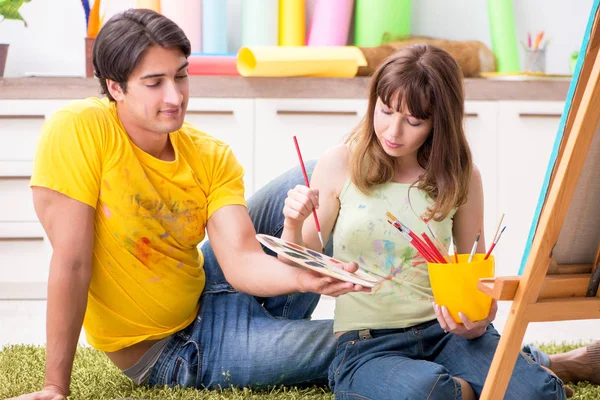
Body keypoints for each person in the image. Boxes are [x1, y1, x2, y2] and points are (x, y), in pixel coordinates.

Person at [11, 9, 369, 400]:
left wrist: (305, 275)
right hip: (175, 349)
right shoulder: (80, 130)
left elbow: (241, 260)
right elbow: (73, 260)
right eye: (154, 83)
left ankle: (276, 320)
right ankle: (281, 328)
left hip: (211, 285)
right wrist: (53, 387)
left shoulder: (209, 155)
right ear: (115, 88)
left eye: (180, 75)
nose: (175, 96)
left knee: (321, 172)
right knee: (363, 339)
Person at [280, 44, 567, 399]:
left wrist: (482, 314)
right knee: (427, 391)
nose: (393, 131)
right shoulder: (341, 162)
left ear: (438, 123)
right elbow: (298, 259)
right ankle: (467, 389)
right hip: (368, 346)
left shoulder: (462, 176)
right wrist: (293, 222)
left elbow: (475, 274)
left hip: (446, 335)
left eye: (413, 121)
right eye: (385, 111)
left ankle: (494, 380)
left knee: (537, 394)